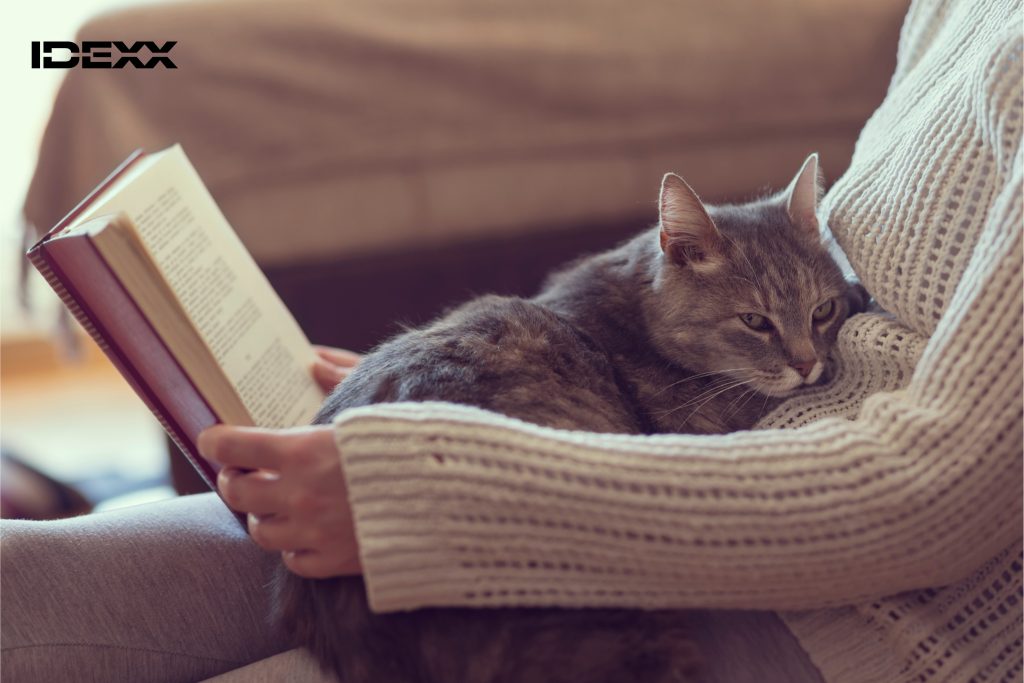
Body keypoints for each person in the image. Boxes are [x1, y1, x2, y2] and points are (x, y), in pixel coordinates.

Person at [3, 0, 1021, 681]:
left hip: (849, 607)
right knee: (48, 576)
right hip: (716, 479)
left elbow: (937, 493)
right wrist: (463, 399)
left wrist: (450, 485)